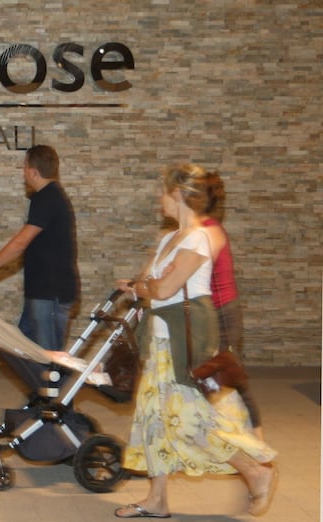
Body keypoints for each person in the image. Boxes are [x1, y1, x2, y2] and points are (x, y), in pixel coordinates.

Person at [110, 164, 277, 518]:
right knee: (153, 417)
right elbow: (148, 281)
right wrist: (145, 284)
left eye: (163, 192)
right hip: (160, 341)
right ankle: (156, 499)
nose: (160, 199)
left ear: (178, 195)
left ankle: (255, 471)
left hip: (183, 343)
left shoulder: (198, 237)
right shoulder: (169, 238)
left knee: (189, 419)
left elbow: (164, 288)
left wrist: (148, 285)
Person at [0, 144, 79, 395]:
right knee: (21, 350)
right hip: (41, 293)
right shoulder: (47, 197)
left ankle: (58, 416)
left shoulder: (48, 198)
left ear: (33, 171)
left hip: (50, 295)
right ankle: (42, 404)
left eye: (24, 167)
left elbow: (20, 244)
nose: (23, 173)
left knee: (47, 361)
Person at [201, 170, 264, 440]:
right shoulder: (202, 228)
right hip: (215, 311)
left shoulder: (207, 231)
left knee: (231, 377)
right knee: (214, 378)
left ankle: (258, 441)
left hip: (222, 313)